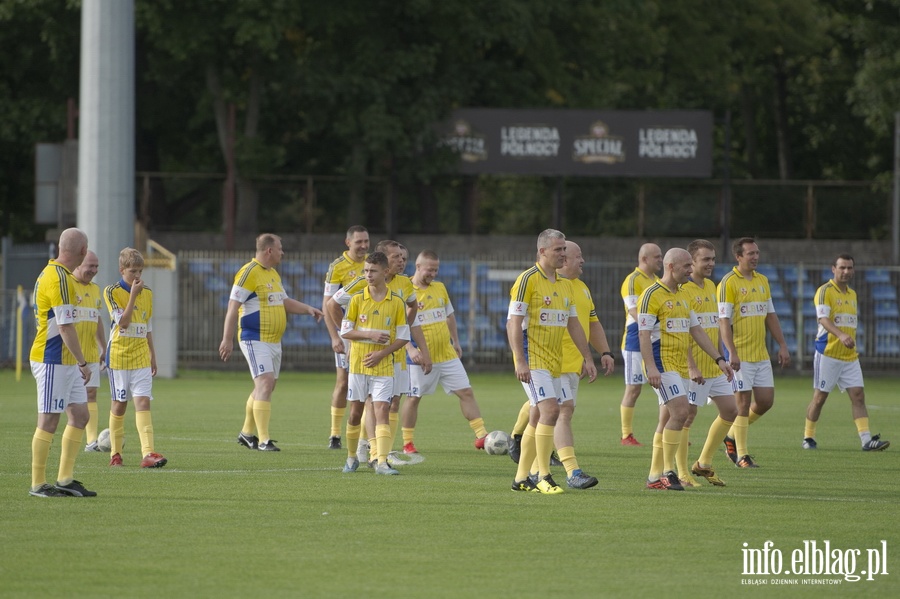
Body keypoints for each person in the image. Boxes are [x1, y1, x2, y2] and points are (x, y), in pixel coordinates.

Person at [507, 229, 597, 495]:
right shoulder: (527, 280)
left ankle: (521, 478)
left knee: (538, 414)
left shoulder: (565, 284)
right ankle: (543, 475)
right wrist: (520, 361)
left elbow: (574, 325)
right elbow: (513, 323)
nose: (563, 254)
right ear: (542, 252)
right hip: (534, 360)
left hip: (554, 361)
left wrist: (588, 357)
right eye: (558, 249)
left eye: (564, 250)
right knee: (550, 410)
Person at [325, 240, 431, 464]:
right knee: (373, 402)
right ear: (384, 260)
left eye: (403, 257)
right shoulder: (362, 282)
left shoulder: (404, 284)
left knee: (392, 401)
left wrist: (410, 338)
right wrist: (353, 336)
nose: (402, 261)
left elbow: (412, 309)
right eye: (396, 257)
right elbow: (332, 305)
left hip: (395, 352)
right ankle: (373, 450)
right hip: (368, 353)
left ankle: (381, 450)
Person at [639, 248, 734, 491]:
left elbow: (696, 330)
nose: (690, 270)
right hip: (661, 363)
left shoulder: (682, 295)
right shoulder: (651, 295)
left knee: (670, 418)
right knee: (680, 413)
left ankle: (654, 476)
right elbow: (644, 333)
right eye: (686, 267)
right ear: (671, 267)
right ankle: (668, 472)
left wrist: (718, 359)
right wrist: (650, 367)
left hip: (678, 365)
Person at [220, 234, 324, 452]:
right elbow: (232, 307)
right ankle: (264, 440)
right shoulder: (248, 272)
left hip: (274, 341)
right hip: (253, 338)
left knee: (266, 386)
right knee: (265, 383)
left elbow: (283, 302)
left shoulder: (272, 274)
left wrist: (307, 309)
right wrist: (227, 339)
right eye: (280, 248)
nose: (282, 252)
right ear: (269, 250)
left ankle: (246, 433)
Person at [400, 249, 490, 455]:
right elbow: (400, 324)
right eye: (429, 270)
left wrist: (456, 341)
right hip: (420, 358)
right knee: (414, 398)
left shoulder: (440, 288)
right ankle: (407, 442)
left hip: (447, 354)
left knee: (466, 392)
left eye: (436, 270)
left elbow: (449, 316)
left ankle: (481, 436)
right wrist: (410, 348)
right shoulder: (405, 290)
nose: (433, 274)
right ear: (418, 267)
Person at [28, 227, 97, 497]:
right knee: (48, 421)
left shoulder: (56, 274)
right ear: (82, 252)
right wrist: (83, 362)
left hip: (65, 361)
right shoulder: (59, 279)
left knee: (80, 415)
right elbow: (65, 327)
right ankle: (37, 483)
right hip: (52, 359)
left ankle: (65, 479)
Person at [803, 254, 889, 452]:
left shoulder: (852, 294)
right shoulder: (825, 291)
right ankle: (808, 436)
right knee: (819, 398)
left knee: (858, 396)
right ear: (833, 268)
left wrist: (846, 338)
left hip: (849, 356)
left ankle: (866, 440)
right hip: (828, 353)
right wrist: (841, 335)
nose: (846, 272)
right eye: (842, 267)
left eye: (849, 268)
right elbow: (823, 319)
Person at [717, 237, 791, 468]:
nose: (755, 257)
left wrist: (782, 344)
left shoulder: (763, 281)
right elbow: (723, 321)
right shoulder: (728, 283)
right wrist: (731, 352)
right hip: (740, 356)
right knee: (742, 404)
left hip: (761, 355)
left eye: (756, 253)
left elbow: (770, 315)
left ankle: (730, 435)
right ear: (738, 257)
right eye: (750, 253)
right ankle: (742, 455)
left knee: (765, 402)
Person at [338, 251, 411, 475]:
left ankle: (381, 461)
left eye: (373, 271)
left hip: (384, 366)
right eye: (366, 271)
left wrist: (382, 353)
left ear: (385, 272)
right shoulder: (357, 299)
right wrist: (370, 334)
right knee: (355, 413)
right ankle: (351, 457)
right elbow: (346, 332)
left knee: (382, 409)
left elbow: (403, 337)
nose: (368, 275)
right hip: (359, 365)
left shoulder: (396, 302)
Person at [681, 240, 738, 487]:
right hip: (693, 368)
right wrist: (691, 365)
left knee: (730, 410)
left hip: (713, 365)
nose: (711, 264)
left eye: (713, 259)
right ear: (691, 262)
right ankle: (681, 473)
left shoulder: (711, 286)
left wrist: (721, 359)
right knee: (686, 416)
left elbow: (711, 329)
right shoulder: (683, 290)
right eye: (706, 259)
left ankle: (703, 463)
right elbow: (681, 334)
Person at [104, 248, 167, 467]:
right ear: (122, 270)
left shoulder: (147, 293)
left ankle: (148, 453)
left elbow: (146, 326)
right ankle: (115, 453)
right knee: (120, 404)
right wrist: (132, 295)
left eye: (140, 271)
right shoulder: (111, 291)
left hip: (141, 355)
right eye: (133, 271)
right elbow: (124, 322)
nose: (137, 276)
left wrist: (152, 354)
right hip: (120, 357)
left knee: (143, 402)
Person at [322, 225, 370, 450]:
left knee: (368, 386)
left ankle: (363, 438)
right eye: (359, 241)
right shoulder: (337, 267)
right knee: (343, 383)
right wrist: (337, 336)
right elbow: (328, 303)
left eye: (366, 241)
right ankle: (334, 434)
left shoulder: (372, 263)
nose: (363, 246)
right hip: (348, 332)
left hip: (370, 330)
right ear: (347, 242)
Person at [618, 243, 663, 446]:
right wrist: (654, 324)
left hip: (657, 338)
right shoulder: (633, 280)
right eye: (657, 257)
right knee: (634, 388)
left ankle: (668, 431)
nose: (661, 260)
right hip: (636, 339)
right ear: (644, 259)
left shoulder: (658, 281)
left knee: (664, 384)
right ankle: (626, 434)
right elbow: (633, 310)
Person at [72, 250, 108, 452]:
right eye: (90, 266)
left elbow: (97, 319)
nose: (94, 271)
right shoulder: (68, 286)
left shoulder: (95, 290)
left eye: (96, 267)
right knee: (70, 401)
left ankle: (91, 442)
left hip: (91, 353)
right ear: (78, 264)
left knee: (91, 394)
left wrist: (103, 345)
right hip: (70, 355)